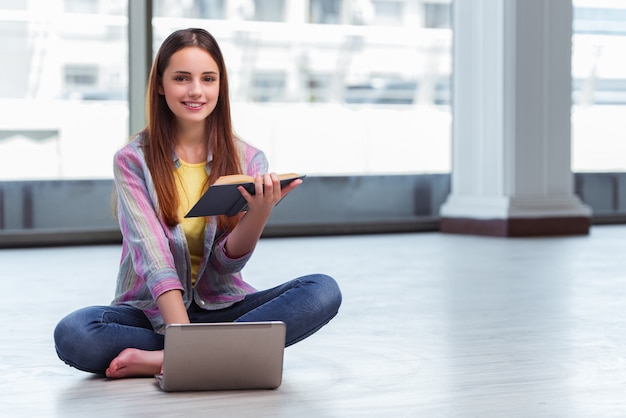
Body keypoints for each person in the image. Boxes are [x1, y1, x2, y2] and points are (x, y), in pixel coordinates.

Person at [53, 28, 342, 379]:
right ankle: (215, 352)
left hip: (222, 307)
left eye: (208, 79)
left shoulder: (249, 159)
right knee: (76, 333)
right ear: (160, 85)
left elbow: (225, 265)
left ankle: (164, 359)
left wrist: (260, 213)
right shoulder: (132, 160)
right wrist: (183, 338)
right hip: (150, 312)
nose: (196, 91)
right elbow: (154, 258)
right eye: (181, 78)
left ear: (221, 86)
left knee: (322, 291)